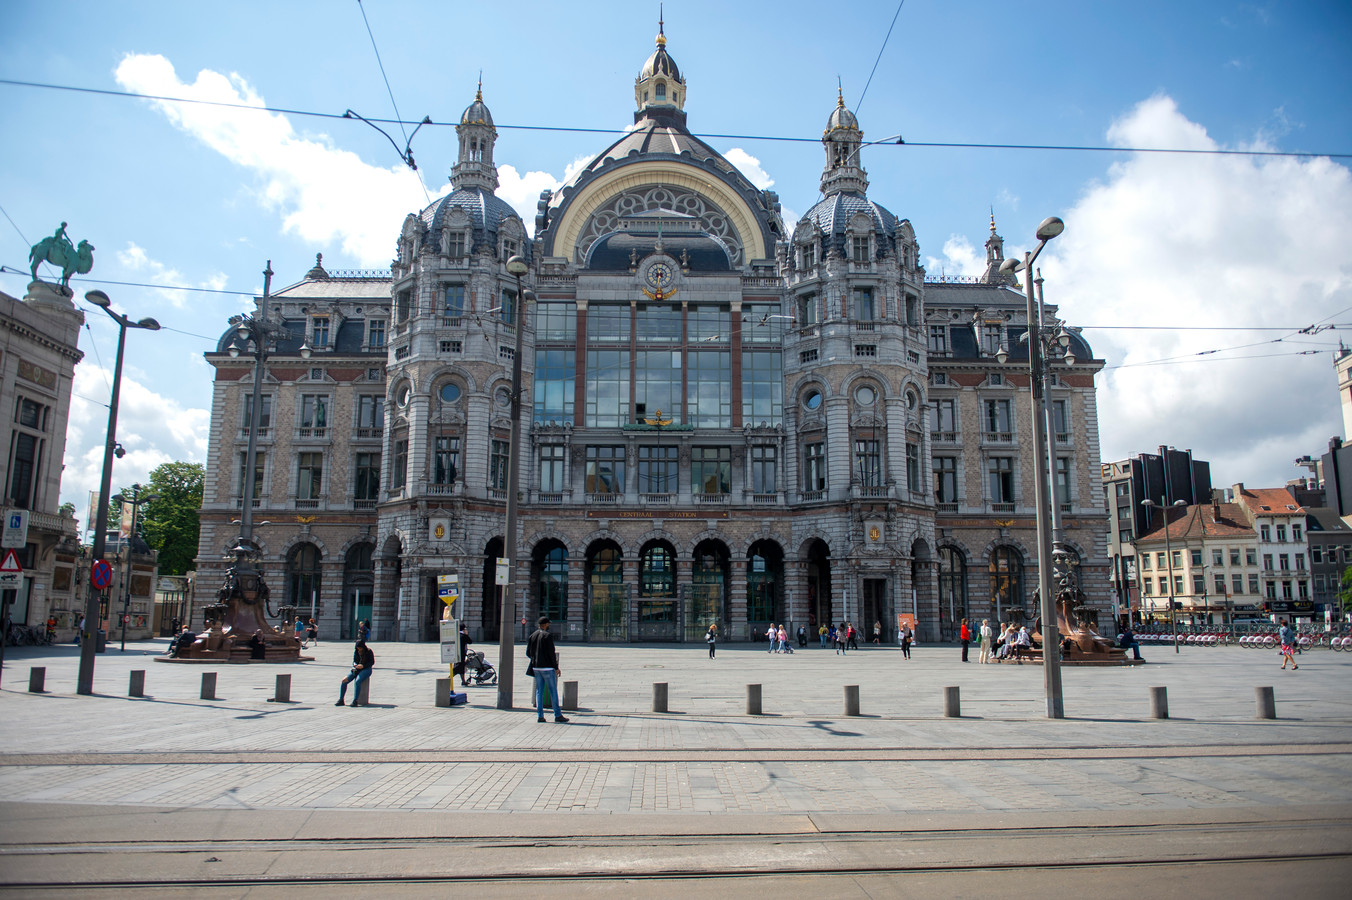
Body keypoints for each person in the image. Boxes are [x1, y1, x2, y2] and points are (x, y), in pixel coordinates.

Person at [526, 616, 568, 722]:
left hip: (536, 667)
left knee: (539, 691)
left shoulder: (533, 635)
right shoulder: (547, 636)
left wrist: (535, 659)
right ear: (545, 625)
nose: (549, 625)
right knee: (553, 691)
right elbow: (551, 653)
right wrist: (556, 667)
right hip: (547, 668)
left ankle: (540, 716)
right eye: (548, 624)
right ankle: (557, 715)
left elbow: (528, 652)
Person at [336, 639, 375, 706]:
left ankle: (355, 700)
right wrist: (355, 665)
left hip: (366, 669)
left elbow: (372, 662)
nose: (359, 649)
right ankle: (341, 699)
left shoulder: (369, 651)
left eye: (360, 648)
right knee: (344, 681)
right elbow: (354, 661)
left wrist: (363, 666)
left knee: (358, 681)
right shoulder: (356, 651)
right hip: (356, 669)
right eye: (357, 648)